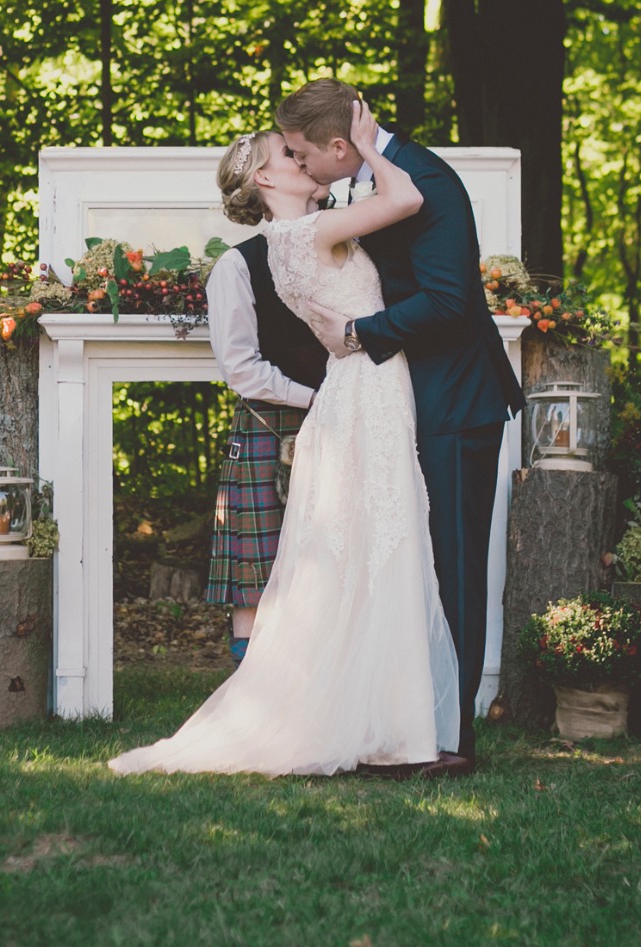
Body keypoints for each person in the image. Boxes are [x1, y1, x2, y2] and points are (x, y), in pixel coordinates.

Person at [108, 105, 459, 777]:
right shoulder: (302, 236)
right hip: (358, 391)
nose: (304, 158)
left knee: (375, 549)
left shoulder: (299, 236)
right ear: (265, 174)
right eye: (291, 154)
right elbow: (408, 196)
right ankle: (393, 731)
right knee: (383, 545)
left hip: (363, 389)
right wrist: (367, 143)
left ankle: (390, 725)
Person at [276, 78, 525, 768]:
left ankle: (453, 738)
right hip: (413, 398)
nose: (297, 165)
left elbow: (448, 301)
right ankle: (411, 719)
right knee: (414, 562)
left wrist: (359, 332)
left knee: (455, 567)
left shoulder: (429, 182)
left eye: (300, 154)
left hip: (456, 400)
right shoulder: (369, 179)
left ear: (337, 146)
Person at [205, 214, 327, 666]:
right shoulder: (238, 265)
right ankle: (248, 694)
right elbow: (240, 369)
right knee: (257, 570)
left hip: (344, 416)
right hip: (272, 422)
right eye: (289, 156)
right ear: (264, 177)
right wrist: (313, 398)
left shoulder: (344, 246)